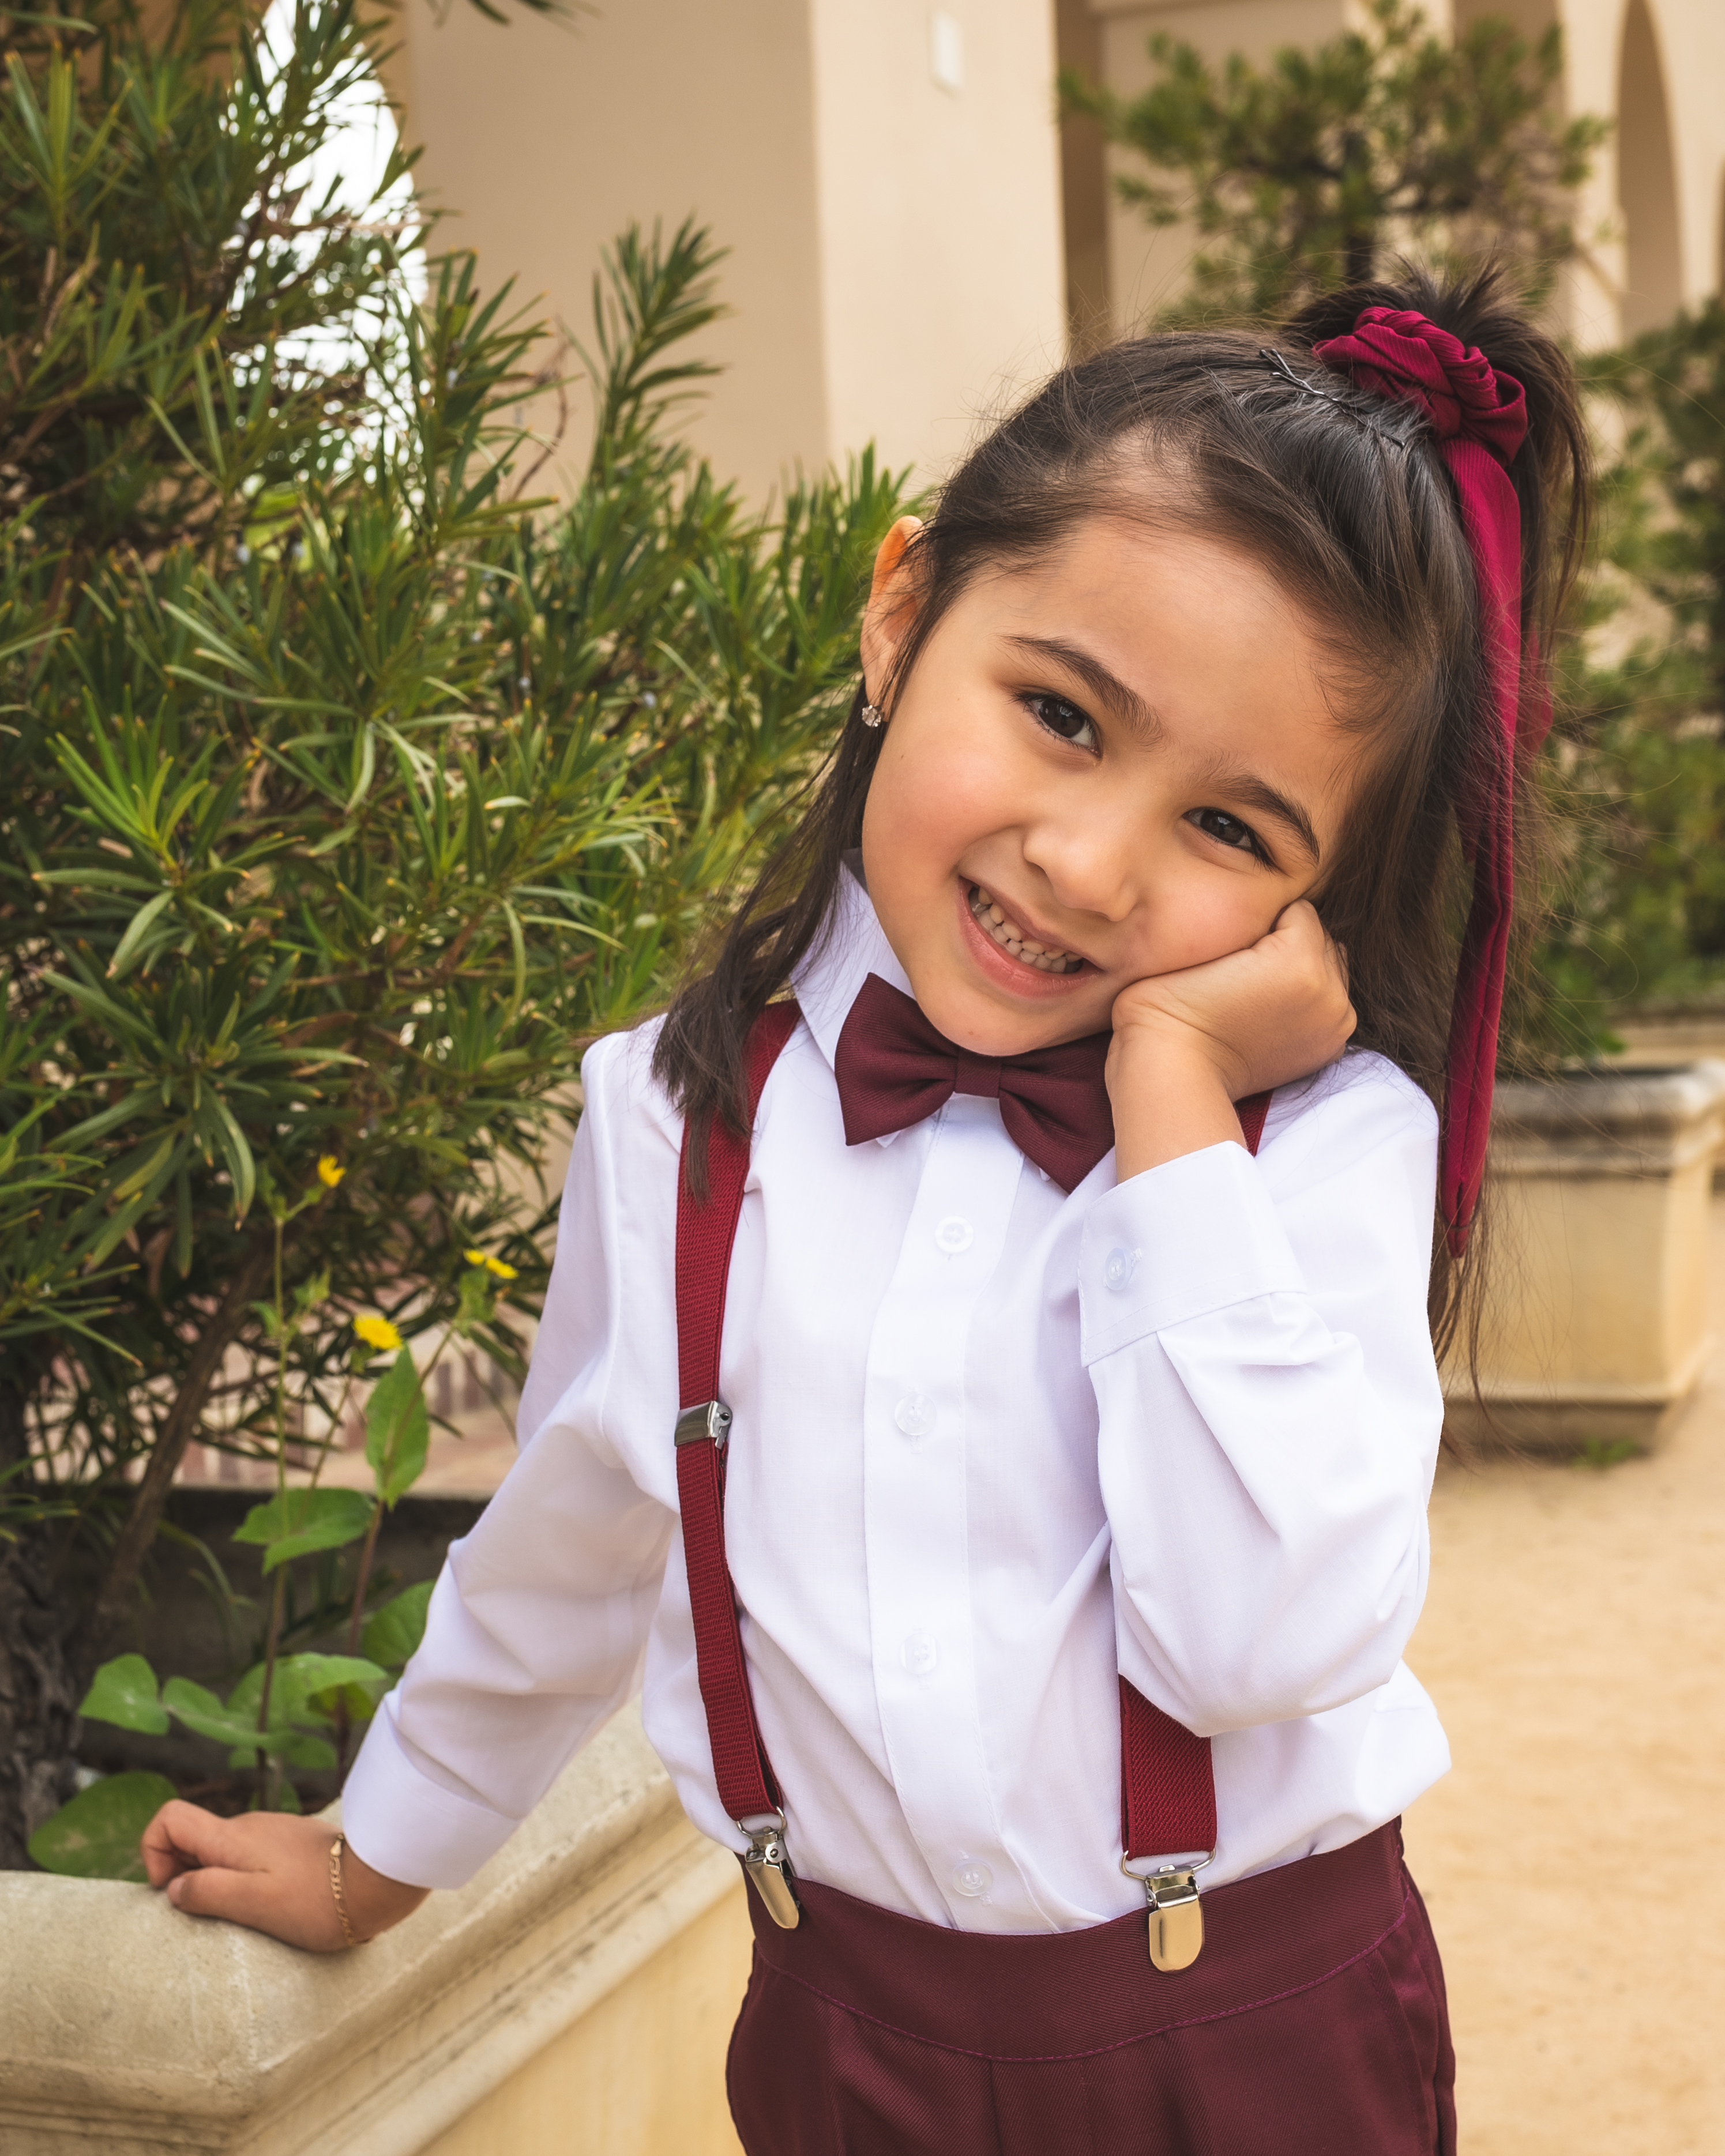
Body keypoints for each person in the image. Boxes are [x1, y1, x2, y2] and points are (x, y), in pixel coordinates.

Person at [142, 267, 1586, 2154]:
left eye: (1229, 831)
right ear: (902, 614)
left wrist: (1170, 1114)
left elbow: (1254, 1643)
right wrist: (380, 1857)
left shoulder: (1317, 1156)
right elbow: (573, 1539)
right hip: (840, 2046)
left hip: (1251, 2049)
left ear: (1320, 899)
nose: (1085, 863)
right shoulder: (673, 1115)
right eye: (1061, 714)